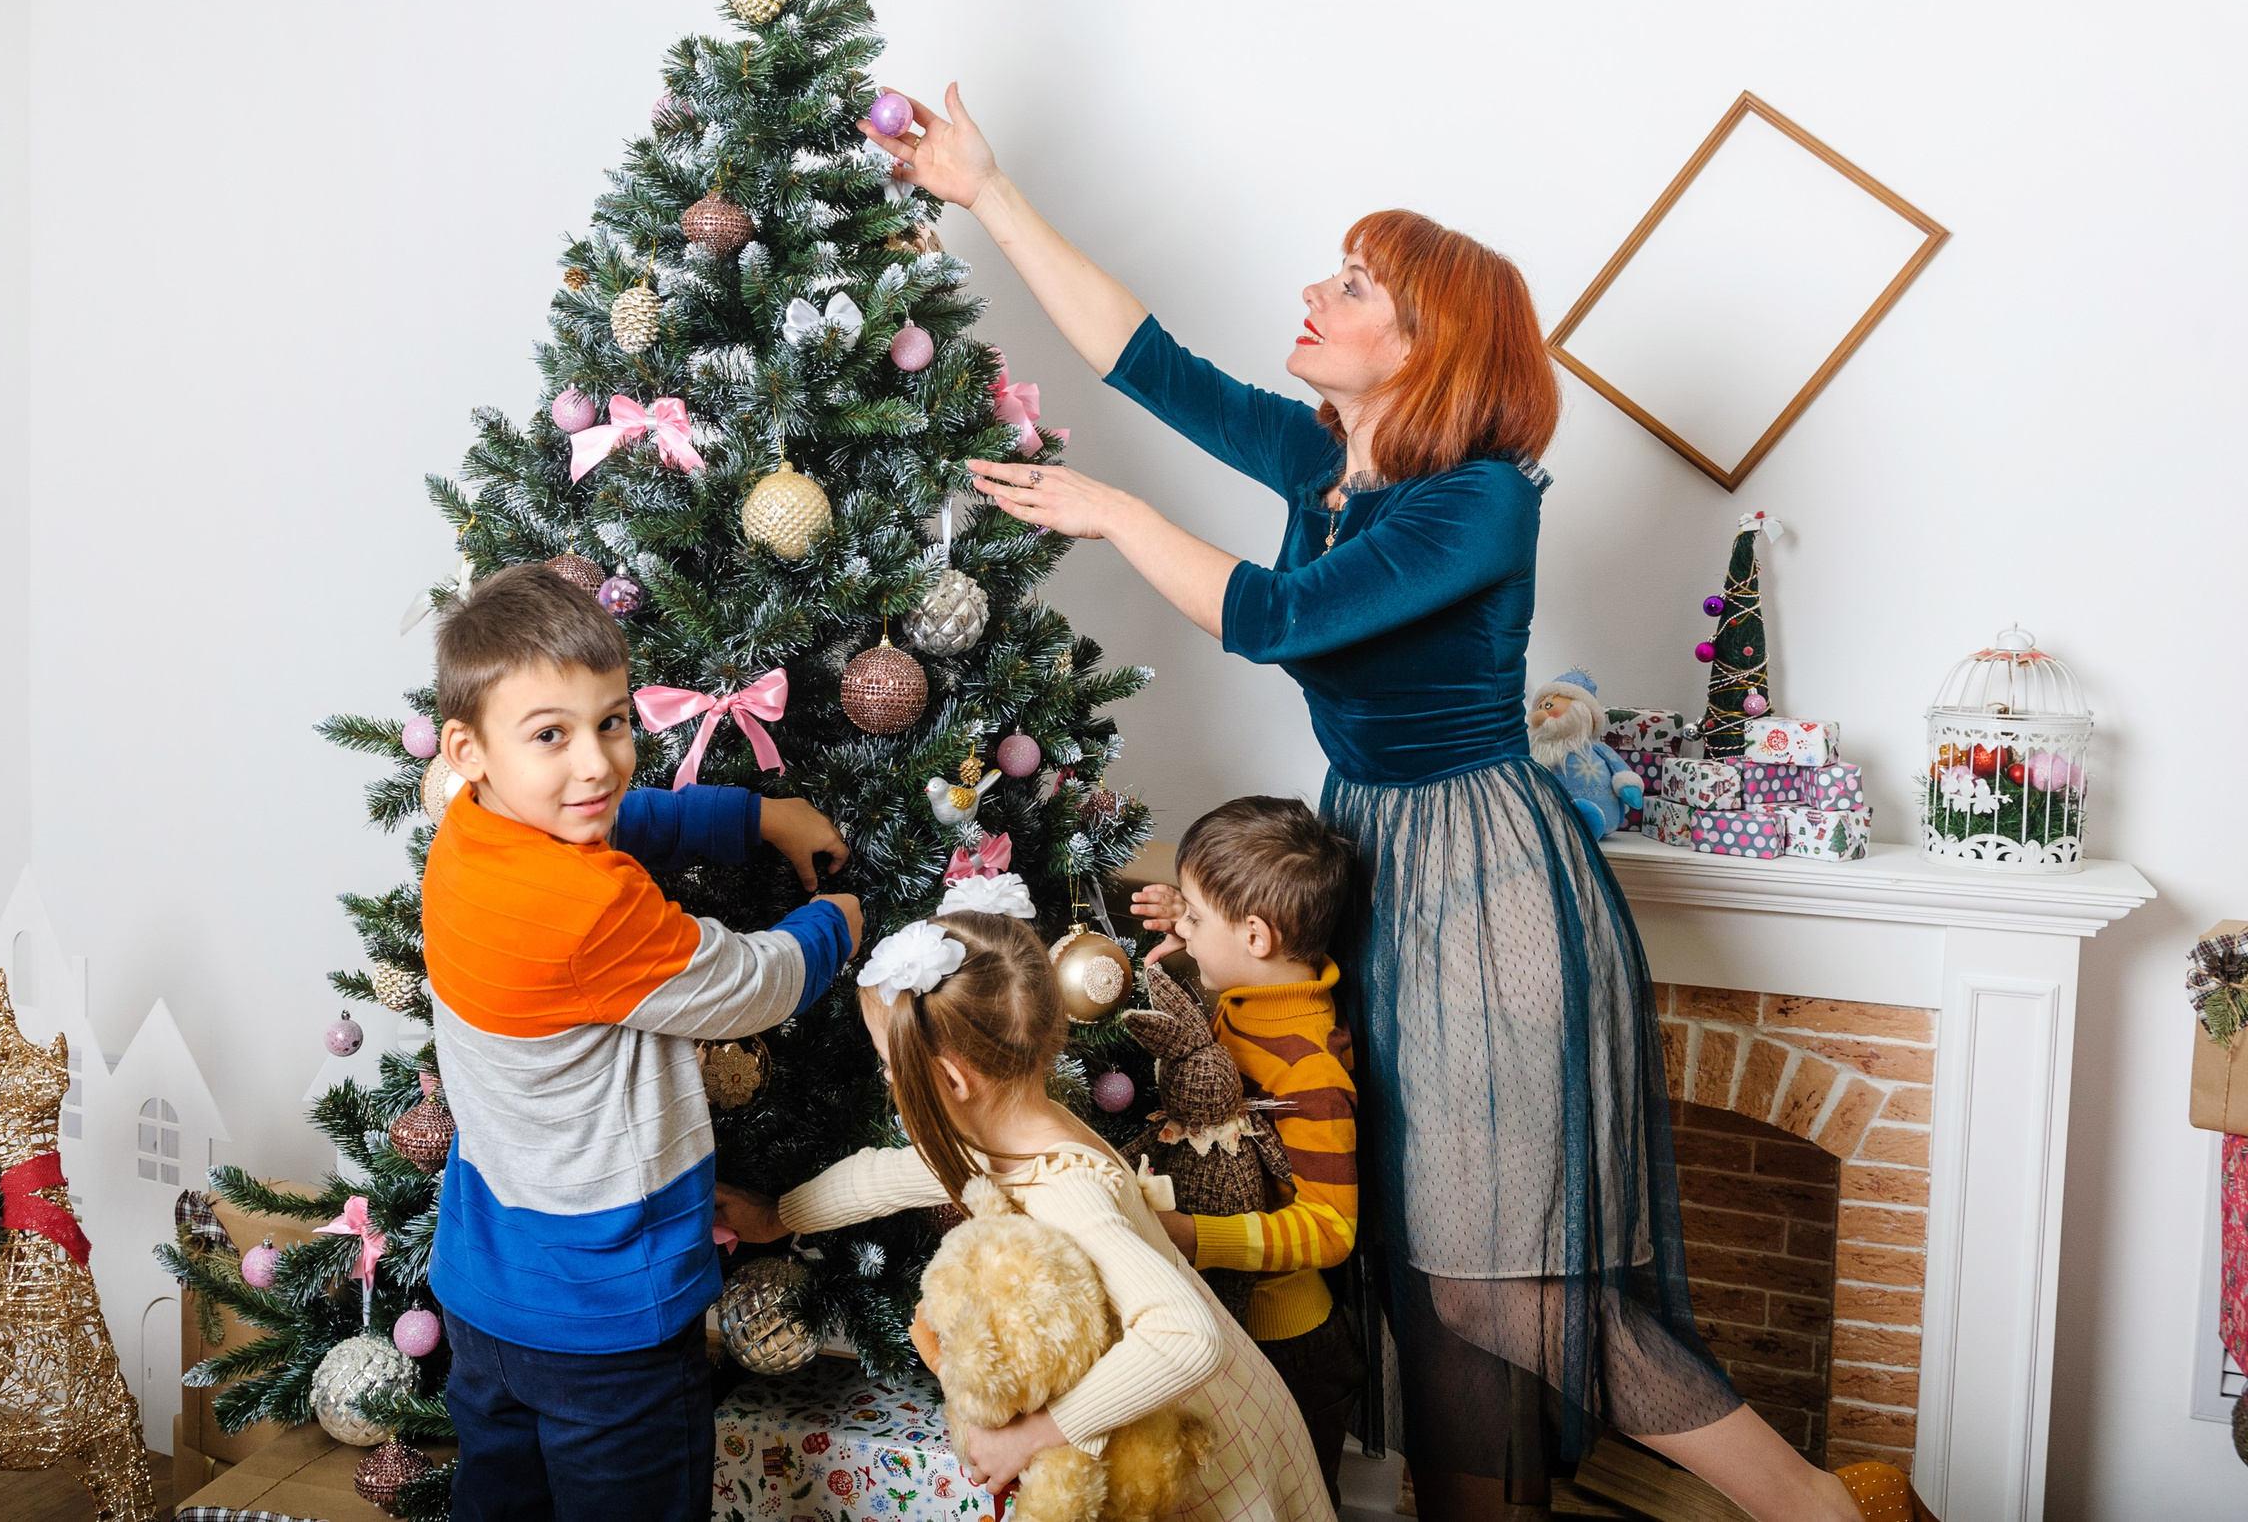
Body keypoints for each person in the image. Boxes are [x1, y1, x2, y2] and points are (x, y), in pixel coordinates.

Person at [860, 87, 1866, 1522]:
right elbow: (1141, 358)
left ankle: (1816, 1508)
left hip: (1491, 888)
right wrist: (989, 189)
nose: (1314, 293)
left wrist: (1115, 515)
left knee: (1503, 1278)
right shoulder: (1329, 463)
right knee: (1423, 1271)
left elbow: (1271, 618)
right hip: (1378, 857)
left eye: (1352, 283)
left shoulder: (1481, 499)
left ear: (1425, 343)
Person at [417, 563, 863, 1522]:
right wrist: (837, 921)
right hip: (608, 1316)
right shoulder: (590, 909)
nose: (597, 764)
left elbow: (622, 816)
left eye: (613, 722)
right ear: (471, 746)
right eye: (552, 734)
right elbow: (751, 983)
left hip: (485, 1285)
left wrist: (753, 816)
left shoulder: (467, 830)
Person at [716, 904, 1335, 1522]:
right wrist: (777, 1218)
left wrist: (1040, 1431)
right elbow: (885, 1175)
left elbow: (1185, 1336)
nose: (887, 1081)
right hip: (1171, 1425)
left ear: (951, 1081)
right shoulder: (1002, 1135)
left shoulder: (1065, 1188)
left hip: (1206, 1449)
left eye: (888, 1067)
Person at [1142, 797, 1366, 1509]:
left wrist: (1196, 1236)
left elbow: (1332, 1229)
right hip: (1226, 1323)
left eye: (1195, 918)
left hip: (1288, 1342)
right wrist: (1190, 920)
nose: (1182, 927)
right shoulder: (1245, 998)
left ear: (1257, 935)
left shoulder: (1310, 1070)